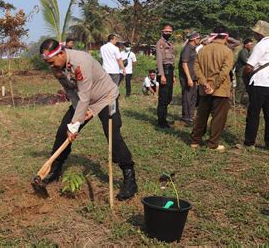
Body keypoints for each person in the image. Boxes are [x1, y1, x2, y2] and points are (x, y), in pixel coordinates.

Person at [39, 39, 137, 200]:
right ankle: (55, 169)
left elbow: (85, 94)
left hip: (106, 98)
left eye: (51, 62)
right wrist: (74, 121)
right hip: (84, 100)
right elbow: (71, 92)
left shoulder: (80, 61)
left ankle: (129, 177)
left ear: (61, 53)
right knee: (63, 131)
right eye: (47, 63)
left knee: (113, 135)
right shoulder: (56, 66)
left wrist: (76, 124)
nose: (50, 66)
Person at [239, 20, 269, 150]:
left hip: (259, 82)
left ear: (260, 33)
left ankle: (249, 143)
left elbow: (249, 66)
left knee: (253, 113)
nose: (254, 34)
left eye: (255, 32)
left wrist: (245, 77)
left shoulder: (260, 46)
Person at [190, 26, 233, 151]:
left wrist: (205, 84)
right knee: (218, 117)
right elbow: (225, 72)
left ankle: (195, 141)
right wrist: (213, 86)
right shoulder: (227, 51)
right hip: (220, 90)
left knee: (202, 115)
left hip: (204, 89)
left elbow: (196, 69)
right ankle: (213, 143)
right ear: (226, 37)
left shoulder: (202, 50)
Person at [156, 23, 176, 128]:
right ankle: (161, 121)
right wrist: (162, 75)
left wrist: (173, 75)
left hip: (170, 71)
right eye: (166, 31)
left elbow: (172, 60)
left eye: (170, 31)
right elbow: (159, 60)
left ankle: (164, 118)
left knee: (168, 97)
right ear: (162, 31)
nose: (168, 33)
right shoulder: (160, 43)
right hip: (164, 71)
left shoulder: (169, 44)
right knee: (163, 98)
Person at [179, 31, 200, 126]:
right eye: (198, 38)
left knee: (193, 97)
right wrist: (189, 78)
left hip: (194, 77)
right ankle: (186, 116)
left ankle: (191, 116)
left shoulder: (193, 49)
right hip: (187, 77)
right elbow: (184, 64)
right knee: (187, 97)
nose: (199, 40)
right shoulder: (187, 49)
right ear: (194, 39)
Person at [234, 39, 254, 105]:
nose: (251, 46)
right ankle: (237, 102)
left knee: (244, 87)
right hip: (240, 72)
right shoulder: (242, 52)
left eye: (252, 44)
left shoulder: (249, 51)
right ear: (246, 45)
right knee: (240, 87)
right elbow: (247, 61)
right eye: (250, 45)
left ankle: (240, 101)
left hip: (245, 72)